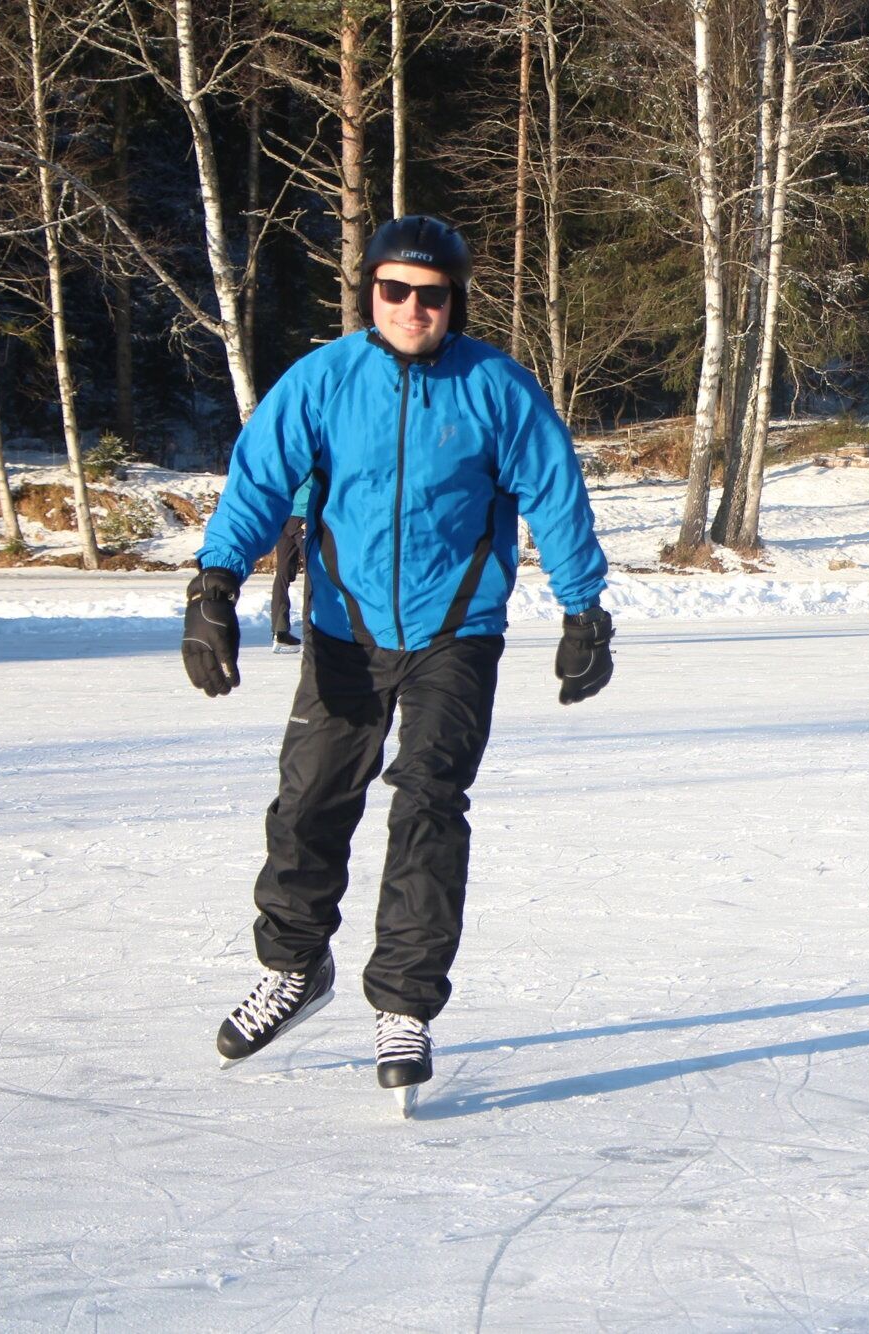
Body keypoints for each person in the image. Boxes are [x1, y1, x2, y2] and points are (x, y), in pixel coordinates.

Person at [182, 215, 616, 1109]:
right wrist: (214, 587)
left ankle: (406, 1005)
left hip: (457, 632)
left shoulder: (496, 387)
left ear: (454, 301)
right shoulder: (325, 380)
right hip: (346, 629)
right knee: (309, 801)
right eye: (395, 291)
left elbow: (555, 491)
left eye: (432, 295)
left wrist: (584, 609)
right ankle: (296, 969)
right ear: (369, 292)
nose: (413, 308)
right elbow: (260, 478)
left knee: (427, 802)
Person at [269, 478, 311, 652]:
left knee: (283, 574)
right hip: (304, 516)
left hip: (285, 516)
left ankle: (280, 631)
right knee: (314, 570)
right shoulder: (317, 456)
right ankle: (312, 631)